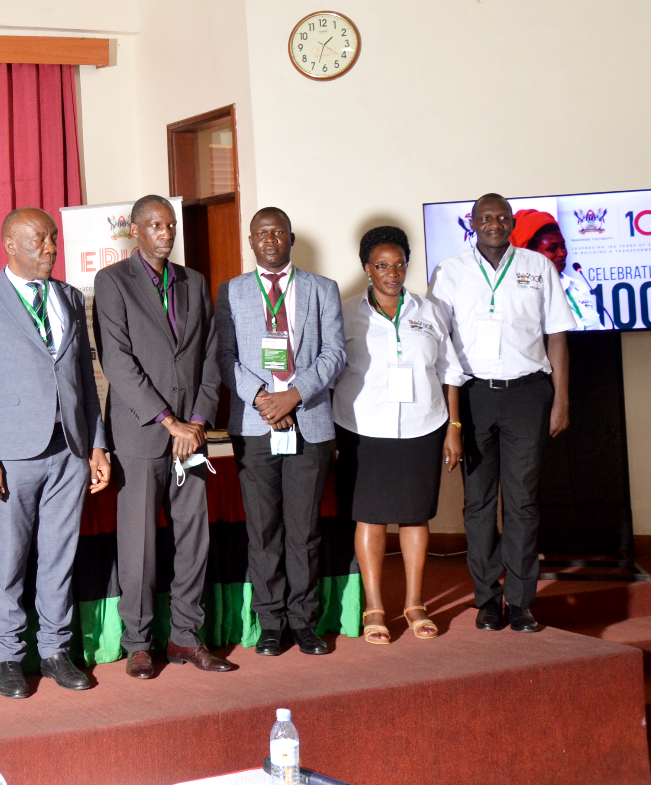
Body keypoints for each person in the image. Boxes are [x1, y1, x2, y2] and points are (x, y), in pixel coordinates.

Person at [0, 207, 110, 699]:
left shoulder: (68, 295)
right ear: (9, 244)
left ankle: (54, 651)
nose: (51, 249)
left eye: (53, 239)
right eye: (40, 241)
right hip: (12, 453)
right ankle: (7, 656)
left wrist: (97, 444)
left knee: (59, 557)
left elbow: (86, 382)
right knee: (10, 559)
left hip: (69, 448)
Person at [92, 196, 234, 677]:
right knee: (139, 542)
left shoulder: (194, 282)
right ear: (135, 231)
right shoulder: (112, 282)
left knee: (195, 537)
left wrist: (195, 422)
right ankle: (138, 643)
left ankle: (187, 639)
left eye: (169, 224)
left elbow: (210, 359)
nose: (165, 232)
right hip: (140, 434)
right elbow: (117, 362)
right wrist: (167, 420)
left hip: (191, 436)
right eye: (154, 225)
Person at [431, 193, 574, 633]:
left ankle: (522, 600)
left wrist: (561, 399)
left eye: (501, 217)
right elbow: (440, 344)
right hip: (473, 397)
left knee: (523, 502)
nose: (493, 223)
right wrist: (450, 417)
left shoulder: (537, 267)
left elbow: (556, 338)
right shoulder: (450, 272)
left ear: (512, 223)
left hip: (527, 395)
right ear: (471, 224)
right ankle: (488, 598)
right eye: (484, 217)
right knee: (477, 503)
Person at [214, 207, 345, 657]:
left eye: (277, 233)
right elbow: (223, 358)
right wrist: (264, 399)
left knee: (304, 530)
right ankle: (271, 623)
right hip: (254, 425)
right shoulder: (230, 292)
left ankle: (304, 622)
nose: (270, 240)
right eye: (261, 234)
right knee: (263, 529)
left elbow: (334, 354)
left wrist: (295, 395)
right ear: (251, 241)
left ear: (289, 237)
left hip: (308, 420)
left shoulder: (321, 289)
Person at [333, 226, 465, 645]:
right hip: (362, 427)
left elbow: (451, 372)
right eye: (382, 265)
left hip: (422, 426)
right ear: (367, 268)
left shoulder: (432, 312)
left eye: (400, 264)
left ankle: (414, 603)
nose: (392, 273)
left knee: (414, 514)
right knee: (368, 514)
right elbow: (330, 371)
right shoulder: (345, 312)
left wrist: (454, 429)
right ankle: (375, 605)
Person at [510, 209, 606, 330]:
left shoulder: (577, 286)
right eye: (552, 248)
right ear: (528, 253)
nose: (562, 253)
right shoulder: (517, 294)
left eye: (563, 246)